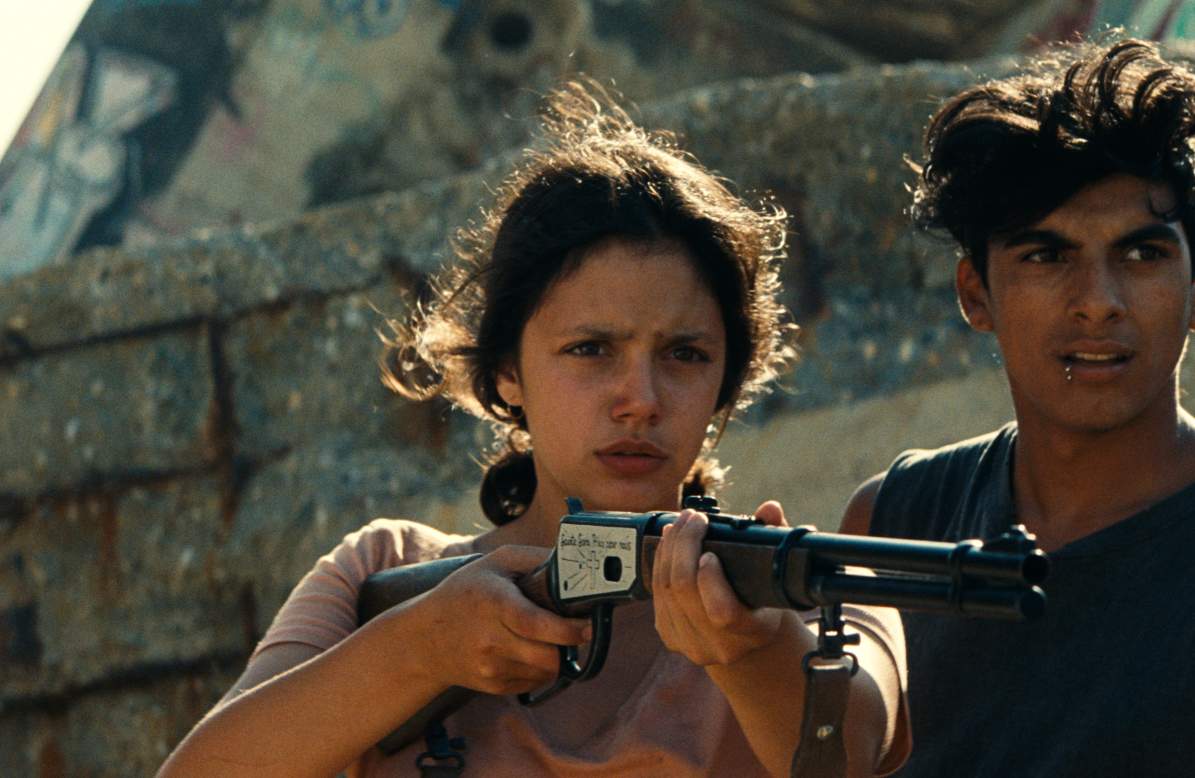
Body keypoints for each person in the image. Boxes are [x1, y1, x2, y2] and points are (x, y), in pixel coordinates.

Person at [157, 84, 908, 778]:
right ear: (507, 371)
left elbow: (854, 748)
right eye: (591, 349)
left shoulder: (814, 589)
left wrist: (755, 651)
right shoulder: (381, 570)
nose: (641, 400)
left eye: (685, 355)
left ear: (725, 383)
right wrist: (419, 650)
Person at [840, 37, 1195, 777]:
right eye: (1047, 256)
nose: (1099, 303)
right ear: (975, 294)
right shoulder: (894, 525)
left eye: (1141, 255)